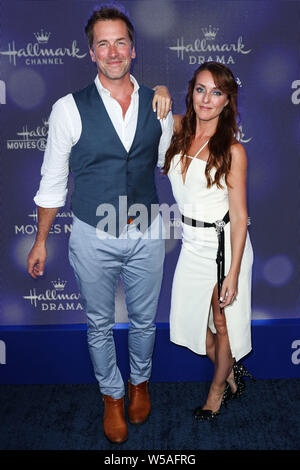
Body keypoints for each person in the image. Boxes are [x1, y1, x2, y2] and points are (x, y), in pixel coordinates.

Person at [27, 5, 173, 443]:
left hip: (147, 229)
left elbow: (166, 164)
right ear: (91, 52)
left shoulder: (157, 103)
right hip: (92, 233)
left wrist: (162, 98)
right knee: (99, 323)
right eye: (103, 43)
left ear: (133, 48)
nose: (113, 51)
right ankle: (112, 395)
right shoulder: (67, 109)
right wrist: (40, 241)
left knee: (145, 321)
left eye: (120, 42)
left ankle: (139, 383)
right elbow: (52, 182)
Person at [163, 62, 254, 421]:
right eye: (201, 89)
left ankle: (217, 390)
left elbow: (241, 216)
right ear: (192, 92)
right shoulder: (179, 130)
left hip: (224, 246)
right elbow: (143, 105)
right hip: (191, 243)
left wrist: (232, 273)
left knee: (223, 320)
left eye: (217, 92)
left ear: (227, 101)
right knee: (194, 322)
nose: (206, 98)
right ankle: (228, 370)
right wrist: (160, 90)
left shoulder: (233, 151)